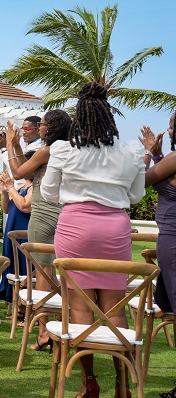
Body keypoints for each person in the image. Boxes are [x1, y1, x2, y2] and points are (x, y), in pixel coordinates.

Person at [41, 82, 145, 398]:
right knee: (115, 308)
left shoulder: (62, 149)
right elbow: (136, 194)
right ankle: (123, 385)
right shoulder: (130, 152)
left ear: (80, 115)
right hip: (115, 229)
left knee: (80, 308)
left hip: (74, 228)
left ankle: (90, 384)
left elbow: (47, 192)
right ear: (109, 115)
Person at [5, 109, 71, 351]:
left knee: (43, 274)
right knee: (63, 274)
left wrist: (11, 145)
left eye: (42, 125)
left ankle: (45, 331)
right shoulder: (67, 150)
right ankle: (59, 326)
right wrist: (18, 150)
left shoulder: (49, 149)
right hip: (65, 216)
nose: (40, 128)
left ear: (50, 128)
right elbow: (32, 170)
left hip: (44, 214)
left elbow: (18, 173)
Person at [139, 112, 176, 398]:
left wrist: (149, 154)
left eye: (172, 127)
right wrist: (161, 152)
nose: (169, 130)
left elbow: (142, 183)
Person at [0, 169, 33, 305]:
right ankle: (14, 302)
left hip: (25, 233)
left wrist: (10, 186)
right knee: (11, 264)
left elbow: (24, 206)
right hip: (12, 231)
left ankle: (26, 307)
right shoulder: (20, 187)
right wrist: (4, 191)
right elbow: (6, 209)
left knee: (24, 267)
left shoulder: (35, 188)